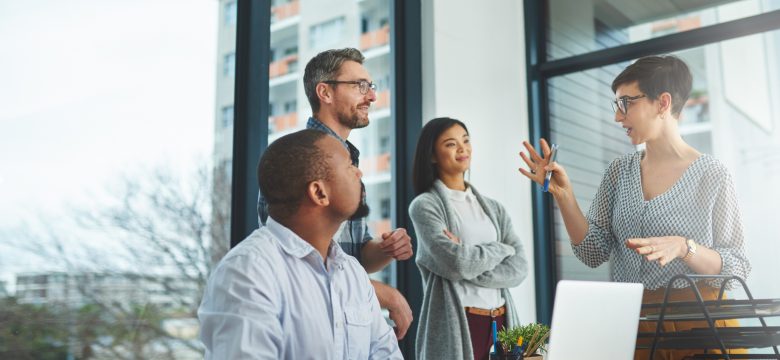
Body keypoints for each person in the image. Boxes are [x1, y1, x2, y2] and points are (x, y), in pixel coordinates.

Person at [518, 55, 750, 360]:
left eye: (626, 103)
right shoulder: (619, 172)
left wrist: (685, 247)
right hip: (633, 327)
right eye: (616, 105)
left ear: (662, 103)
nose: (618, 116)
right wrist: (564, 196)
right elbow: (592, 251)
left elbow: (737, 265)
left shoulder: (713, 174)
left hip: (701, 327)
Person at [198, 129, 402, 359]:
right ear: (319, 192)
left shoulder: (353, 273)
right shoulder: (247, 272)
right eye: (349, 167)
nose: (359, 172)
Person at [257, 48, 414, 339]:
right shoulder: (296, 158)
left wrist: (385, 249)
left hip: (346, 320)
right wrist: (384, 293)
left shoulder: (350, 162)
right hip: (308, 324)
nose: (372, 96)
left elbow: (357, 256)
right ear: (325, 92)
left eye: (371, 86)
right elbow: (298, 263)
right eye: (360, 86)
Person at [409, 117, 529, 360]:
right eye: (451, 144)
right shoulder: (425, 206)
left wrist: (468, 255)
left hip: (502, 322)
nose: (463, 148)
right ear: (432, 155)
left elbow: (520, 268)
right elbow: (457, 264)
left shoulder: (494, 208)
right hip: (462, 322)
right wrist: (501, 249)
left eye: (465, 140)